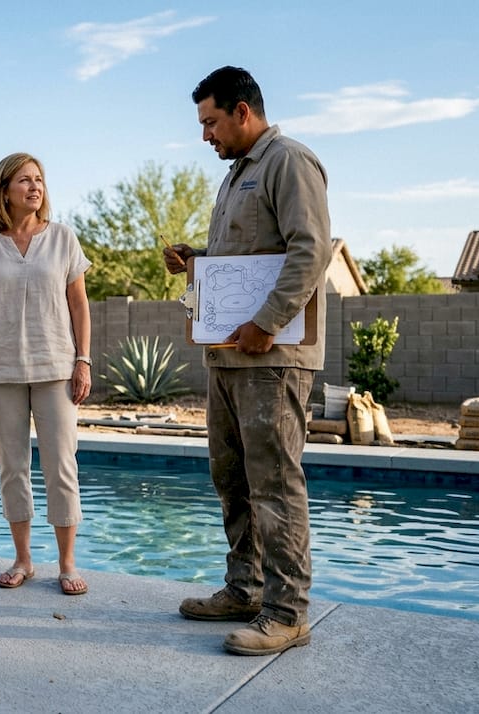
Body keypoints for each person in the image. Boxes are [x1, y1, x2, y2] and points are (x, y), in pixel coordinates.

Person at [163, 66, 332, 655]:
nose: (205, 134)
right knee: (231, 478)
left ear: (243, 111)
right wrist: (196, 260)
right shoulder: (236, 176)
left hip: (275, 357)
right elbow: (248, 256)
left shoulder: (288, 161)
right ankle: (246, 589)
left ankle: (287, 613)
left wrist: (265, 322)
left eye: (210, 121)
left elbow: (310, 250)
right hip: (230, 359)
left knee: (275, 483)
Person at [0, 152, 93, 596]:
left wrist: (83, 360)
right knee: (11, 468)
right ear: (4, 191)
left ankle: (67, 562)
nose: (34, 187)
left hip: (56, 367)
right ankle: (23, 559)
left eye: (39, 180)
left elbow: (79, 304)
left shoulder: (62, 238)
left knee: (61, 466)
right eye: (24, 180)